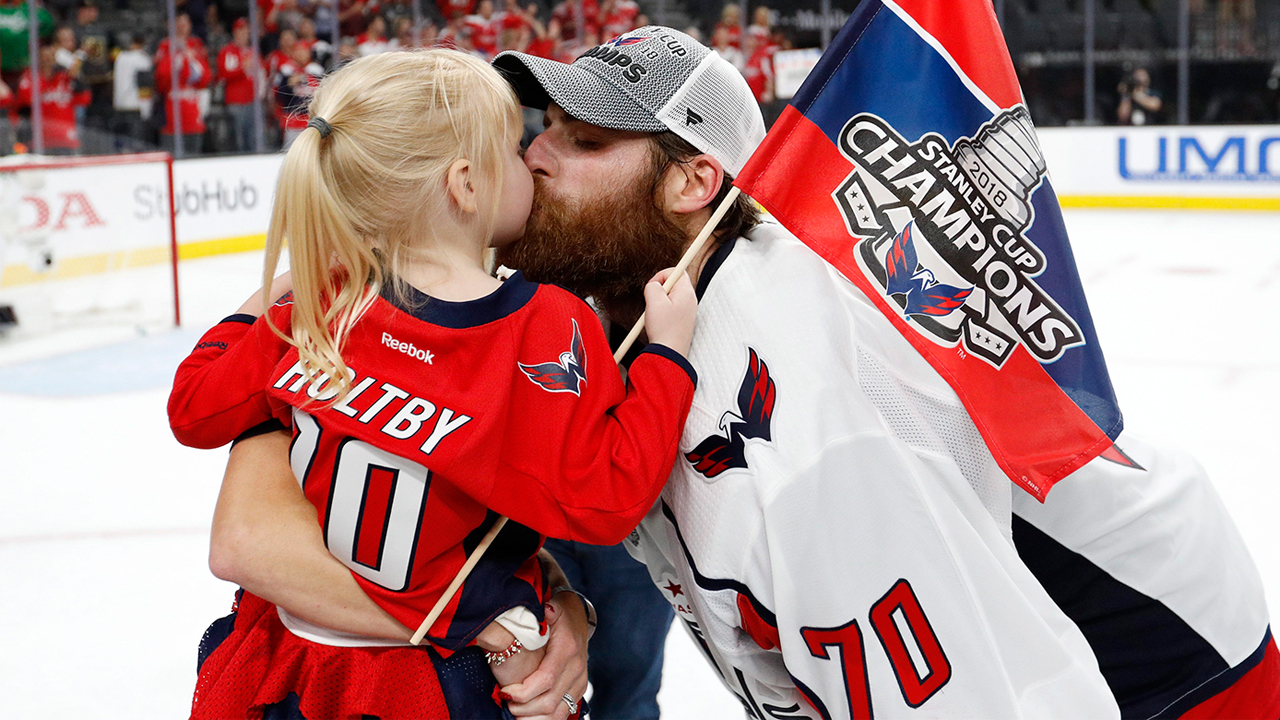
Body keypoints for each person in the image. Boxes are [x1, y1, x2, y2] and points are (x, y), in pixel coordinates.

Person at [204, 24, 1280, 719]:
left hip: (1162, 676)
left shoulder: (803, 424)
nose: (529, 155)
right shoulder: (613, 305)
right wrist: (555, 610)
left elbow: (1004, 698)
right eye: (543, 127)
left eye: (579, 143)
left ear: (691, 187)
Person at [169, 48, 699, 719]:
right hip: (441, 683)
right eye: (513, 148)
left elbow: (193, 407)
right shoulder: (544, 324)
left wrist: (264, 305)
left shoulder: (319, 308)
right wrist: (669, 355)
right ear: (467, 185)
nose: (531, 158)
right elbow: (609, 496)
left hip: (294, 668)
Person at [14, 43, 89, 154]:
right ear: (38, 58)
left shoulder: (66, 78)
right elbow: (26, 101)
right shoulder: (29, 77)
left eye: (51, 57)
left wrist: (75, 77)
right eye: (44, 56)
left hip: (66, 139)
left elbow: (84, 99)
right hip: (40, 141)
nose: (47, 60)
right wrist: (46, 80)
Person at [154, 12, 211, 155]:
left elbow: (205, 78)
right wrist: (177, 58)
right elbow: (161, 78)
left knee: (193, 159)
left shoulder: (195, 45)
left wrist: (190, 59)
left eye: (184, 24)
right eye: (178, 25)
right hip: (171, 118)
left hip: (193, 116)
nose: (181, 28)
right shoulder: (165, 46)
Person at [219, 18, 258, 152]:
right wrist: (242, 68)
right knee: (238, 139)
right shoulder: (227, 51)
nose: (243, 34)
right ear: (235, 32)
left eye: (245, 30)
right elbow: (223, 75)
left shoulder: (253, 51)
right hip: (235, 102)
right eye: (240, 30)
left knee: (253, 138)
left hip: (252, 100)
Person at [110, 33, 153, 151]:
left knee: (121, 149)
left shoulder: (120, 57)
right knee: (136, 148)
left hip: (119, 107)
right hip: (135, 109)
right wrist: (146, 111)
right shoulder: (142, 59)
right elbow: (144, 86)